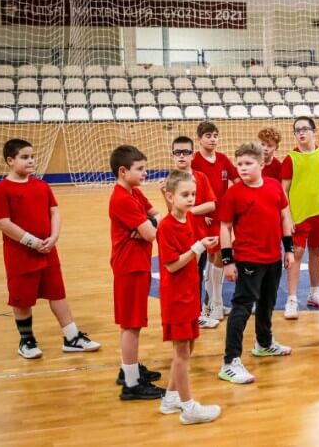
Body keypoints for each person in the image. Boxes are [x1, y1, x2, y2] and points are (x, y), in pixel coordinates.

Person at [0, 139, 101, 360]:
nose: (31, 161)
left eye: (32, 156)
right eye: (24, 157)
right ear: (10, 160)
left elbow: (54, 212)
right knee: (22, 299)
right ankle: (26, 340)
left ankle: (72, 337)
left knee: (57, 293)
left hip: (48, 250)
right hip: (21, 255)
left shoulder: (41, 185)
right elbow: (3, 222)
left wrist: (54, 236)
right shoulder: (2, 190)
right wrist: (31, 242)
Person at [218, 142, 294, 385]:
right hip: (248, 259)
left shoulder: (274, 186)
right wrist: (228, 261)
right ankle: (230, 362)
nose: (242, 168)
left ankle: (264, 343)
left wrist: (289, 249)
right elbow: (225, 227)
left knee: (267, 302)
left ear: (261, 164)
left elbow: (284, 216)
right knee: (242, 307)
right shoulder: (233, 194)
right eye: (239, 164)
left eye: (248, 163)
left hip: (273, 257)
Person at [156, 170, 221, 424]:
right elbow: (172, 265)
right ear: (170, 197)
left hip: (190, 292)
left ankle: (171, 397)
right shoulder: (166, 226)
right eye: (185, 195)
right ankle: (188, 407)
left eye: (193, 194)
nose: (191, 199)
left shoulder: (189, 220)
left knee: (189, 346)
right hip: (176, 297)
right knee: (181, 352)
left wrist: (204, 243)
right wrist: (198, 247)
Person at [108, 145, 164, 400]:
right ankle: (131, 384)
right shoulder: (122, 199)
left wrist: (146, 225)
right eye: (140, 169)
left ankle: (128, 369)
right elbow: (153, 233)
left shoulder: (135, 193)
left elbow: (158, 218)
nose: (145, 173)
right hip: (129, 267)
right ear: (123, 171)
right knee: (131, 325)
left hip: (137, 263)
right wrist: (148, 227)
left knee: (132, 323)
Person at [281, 116, 319, 319]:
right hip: (299, 216)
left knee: (316, 251)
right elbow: (283, 191)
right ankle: (292, 299)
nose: (301, 133)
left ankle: (314, 292)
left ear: (314, 131)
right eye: (297, 130)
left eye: (305, 129)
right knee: (296, 253)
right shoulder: (290, 159)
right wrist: (288, 218)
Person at [160, 136, 219, 329]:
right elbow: (171, 211)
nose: (181, 156)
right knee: (180, 275)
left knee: (196, 275)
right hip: (180, 237)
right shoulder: (170, 181)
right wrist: (164, 195)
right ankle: (186, 315)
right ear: (172, 155)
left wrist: (191, 210)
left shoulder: (200, 177)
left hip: (198, 235)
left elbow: (212, 204)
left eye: (185, 152)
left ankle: (198, 312)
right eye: (177, 152)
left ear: (192, 155)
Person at [191, 122, 239, 320]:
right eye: (208, 136)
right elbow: (190, 190)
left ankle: (211, 302)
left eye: (215, 135)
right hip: (208, 216)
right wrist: (201, 213)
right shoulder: (195, 162)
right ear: (199, 139)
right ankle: (216, 303)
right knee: (216, 255)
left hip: (223, 215)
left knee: (215, 257)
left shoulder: (223, 159)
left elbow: (237, 180)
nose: (213, 139)